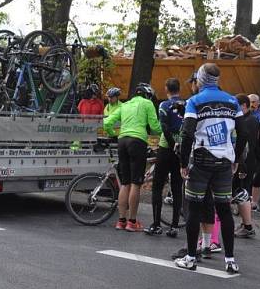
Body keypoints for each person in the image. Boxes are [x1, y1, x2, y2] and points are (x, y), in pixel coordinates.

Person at [175, 63, 248, 273]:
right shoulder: (233, 101)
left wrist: (183, 163)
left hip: (201, 161)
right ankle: (230, 260)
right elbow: (243, 133)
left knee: (194, 208)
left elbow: (187, 133)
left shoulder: (194, 101)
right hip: (225, 162)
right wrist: (237, 159)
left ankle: (190, 257)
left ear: (200, 79)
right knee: (224, 210)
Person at [104, 83, 162, 232]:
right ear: (147, 95)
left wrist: (113, 134)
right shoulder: (147, 103)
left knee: (125, 183)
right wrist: (164, 134)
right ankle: (132, 222)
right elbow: (155, 127)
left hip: (122, 141)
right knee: (136, 183)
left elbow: (107, 122)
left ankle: (121, 221)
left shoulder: (125, 105)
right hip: (137, 142)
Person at [146, 77, 184, 237]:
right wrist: (179, 145)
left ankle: (156, 224)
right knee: (176, 187)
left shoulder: (164, 105)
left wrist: (171, 143)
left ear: (167, 89)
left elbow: (164, 127)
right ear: (179, 89)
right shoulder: (187, 104)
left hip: (166, 148)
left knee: (157, 186)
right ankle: (174, 226)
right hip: (181, 149)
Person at [233, 94, 260, 238]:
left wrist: (242, 165)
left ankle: (247, 225)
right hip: (245, 162)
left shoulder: (250, 121)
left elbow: (248, 146)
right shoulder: (247, 119)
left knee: (243, 192)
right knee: (242, 192)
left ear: (244, 106)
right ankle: (245, 224)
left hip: (247, 162)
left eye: (236, 106)